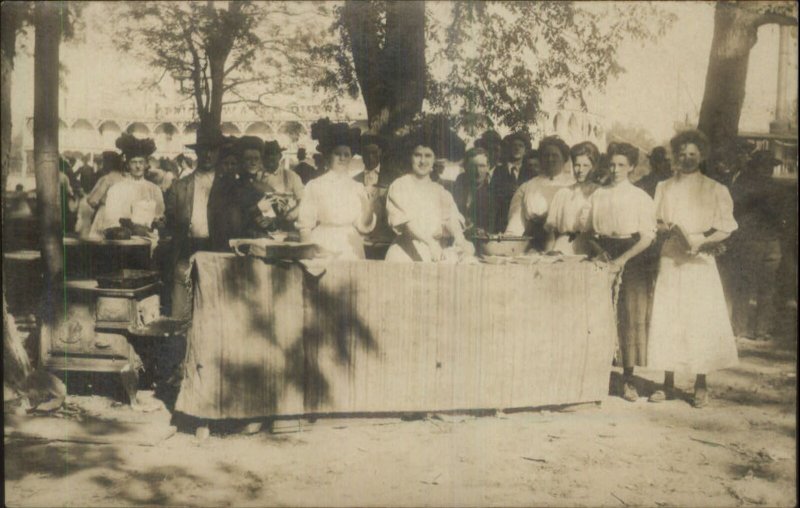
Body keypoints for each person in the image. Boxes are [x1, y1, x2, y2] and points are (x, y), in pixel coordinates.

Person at [647, 130, 739, 408]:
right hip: (672, 255)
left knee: (699, 318)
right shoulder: (664, 186)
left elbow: (726, 227)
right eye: (682, 154)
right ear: (675, 156)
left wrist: (701, 242)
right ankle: (667, 381)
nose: (686, 159)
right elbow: (655, 221)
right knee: (669, 315)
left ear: (702, 156)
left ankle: (700, 383)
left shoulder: (715, 189)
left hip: (700, 258)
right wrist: (667, 230)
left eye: (692, 154)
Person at [586, 142, 656, 402]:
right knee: (598, 314)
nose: (615, 170)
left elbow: (648, 237)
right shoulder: (598, 195)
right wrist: (599, 252)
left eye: (621, 165)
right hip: (603, 253)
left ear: (632, 168)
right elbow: (587, 230)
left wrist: (622, 260)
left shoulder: (640, 197)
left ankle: (628, 379)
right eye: (612, 164)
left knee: (628, 316)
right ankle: (597, 377)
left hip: (632, 255)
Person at [165, 130, 228, 319]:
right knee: (180, 307)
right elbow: (170, 218)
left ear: (218, 153)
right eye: (203, 150)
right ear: (197, 153)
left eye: (212, 150)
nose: (208, 155)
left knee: (212, 308)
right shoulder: (181, 185)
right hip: (186, 248)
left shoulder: (228, 186)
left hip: (215, 250)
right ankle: (180, 344)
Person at [385, 130, 472, 263]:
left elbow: (450, 218)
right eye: (417, 155)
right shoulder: (400, 185)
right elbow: (407, 223)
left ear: (434, 160)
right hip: (406, 253)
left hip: (435, 253)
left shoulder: (440, 191)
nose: (422, 161)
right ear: (410, 157)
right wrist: (430, 243)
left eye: (428, 156)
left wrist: (459, 238)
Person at [726, 150, 785, 340]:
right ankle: (740, 328)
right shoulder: (744, 184)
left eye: (770, 166)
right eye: (765, 165)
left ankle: (761, 329)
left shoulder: (772, 186)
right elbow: (734, 208)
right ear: (756, 166)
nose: (768, 169)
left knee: (767, 287)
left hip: (771, 240)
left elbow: (784, 214)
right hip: (750, 240)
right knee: (745, 285)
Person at [296, 121, 376, 260]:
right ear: (328, 156)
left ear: (351, 157)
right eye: (337, 154)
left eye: (346, 154)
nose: (342, 158)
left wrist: (369, 207)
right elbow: (305, 225)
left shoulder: (357, 187)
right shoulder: (315, 185)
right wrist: (307, 252)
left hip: (350, 247)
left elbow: (363, 226)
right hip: (323, 242)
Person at [505, 136, 575, 250]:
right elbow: (516, 222)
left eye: (555, 155)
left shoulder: (573, 186)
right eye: (546, 155)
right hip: (535, 244)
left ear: (564, 158)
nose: (550, 159)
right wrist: (510, 245)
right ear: (541, 159)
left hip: (568, 244)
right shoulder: (527, 186)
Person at [101, 135, 165, 236]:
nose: (138, 166)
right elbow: (111, 219)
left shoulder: (154, 189)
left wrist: (158, 223)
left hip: (150, 240)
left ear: (146, 165)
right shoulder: (116, 189)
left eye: (141, 162)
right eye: (133, 162)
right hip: (124, 241)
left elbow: (159, 215)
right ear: (127, 165)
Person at [544, 141, 601, 255]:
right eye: (577, 165)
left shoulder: (599, 193)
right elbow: (550, 230)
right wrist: (548, 253)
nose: (580, 170)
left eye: (585, 165)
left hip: (589, 247)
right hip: (562, 246)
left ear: (594, 167)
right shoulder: (563, 193)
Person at [241, 137, 304, 235]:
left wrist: (286, 218)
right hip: (259, 229)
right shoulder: (255, 176)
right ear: (262, 157)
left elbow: (303, 202)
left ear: (280, 156)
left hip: (285, 228)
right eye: (267, 154)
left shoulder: (291, 176)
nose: (271, 157)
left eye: (274, 154)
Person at [491, 132, 535, 231]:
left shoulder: (530, 172)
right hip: (502, 219)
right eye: (514, 146)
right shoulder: (499, 171)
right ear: (509, 149)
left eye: (521, 146)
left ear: (525, 151)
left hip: (523, 220)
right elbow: (492, 196)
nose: (517, 149)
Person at [452, 148, 497, 234]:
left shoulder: (495, 193)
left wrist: (484, 230)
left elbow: (497, 225)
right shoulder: (455, 189)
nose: (477, 171)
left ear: (488, 167)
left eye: (482, 166)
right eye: (473, 166)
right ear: (465, 167)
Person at [85, 150, 127, 239]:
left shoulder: (106, 179)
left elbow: (92, 200)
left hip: (105, 213)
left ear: (108, 163)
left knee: (99, 242)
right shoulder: (125, 179)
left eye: (103, 162)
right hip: (122, 215)